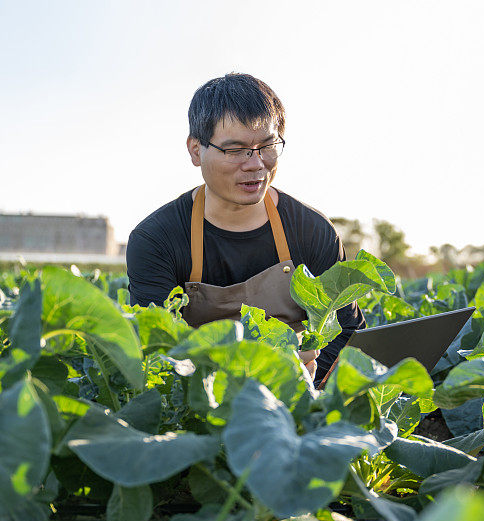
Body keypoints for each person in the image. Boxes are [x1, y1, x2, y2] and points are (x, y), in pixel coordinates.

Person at [126, 73, 365, 386]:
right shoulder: (157, 240)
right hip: (200, 410)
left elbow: (347, 329)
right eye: (235, 149)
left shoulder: (311, 230)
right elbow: (155, 352)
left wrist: (312, 384)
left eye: (267, 145)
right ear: (196, 150)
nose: (255, 164)